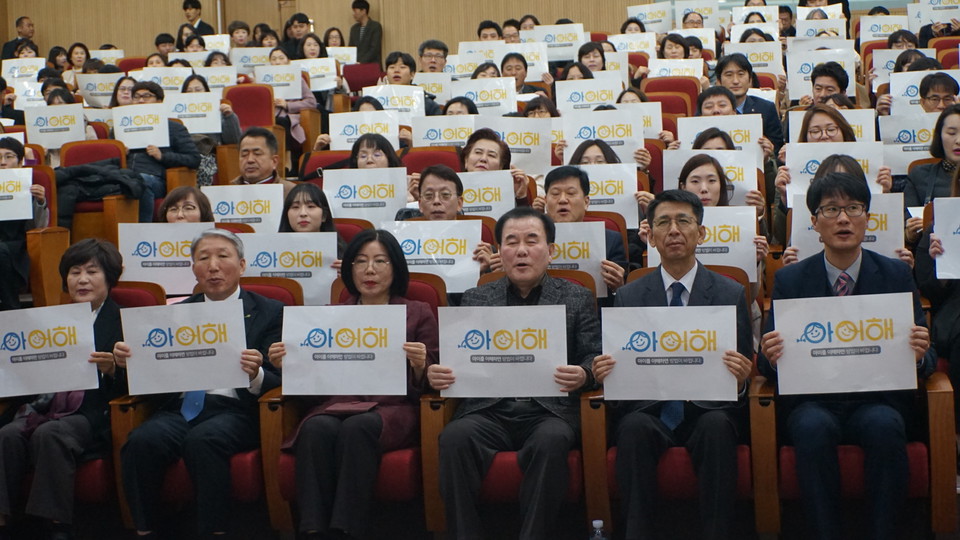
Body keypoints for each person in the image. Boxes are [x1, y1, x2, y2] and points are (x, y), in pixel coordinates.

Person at [758, 172, 934, 540]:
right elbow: (766, 366)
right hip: (815, 401)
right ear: (814, 223)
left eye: (854, 208)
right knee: (810, 427)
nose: (843, 219)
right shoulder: (791, 281)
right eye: (832, 209)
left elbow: (928, 361)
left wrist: (919, 354)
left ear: (867, 219)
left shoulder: (896, 275)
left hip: (877, 399)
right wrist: (771, 356)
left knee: (885, 425)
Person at [427, 206, 601, 540]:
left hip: (548, 411)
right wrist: (440, 373)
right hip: (489, 410)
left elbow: (594, 353)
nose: (521, 250)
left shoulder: (576, 297)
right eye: (511, 242)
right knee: (454, 437)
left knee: (552, 441)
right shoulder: (477, 298)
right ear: (499, 252)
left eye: (531, 241)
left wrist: (584, 374)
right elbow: (457, 359)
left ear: (550, 251)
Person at [592, 189, 753, 540]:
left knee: (716, 426)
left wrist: (741, 379)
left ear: (702, 232)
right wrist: (609, 374)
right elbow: (623, 368)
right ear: (649, 234)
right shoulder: (630, 295)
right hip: (651, 409)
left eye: (684, 221)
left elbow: (741, 378)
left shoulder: (730, 293)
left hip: (708, 409)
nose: (674, 230)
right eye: (663, 222)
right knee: (633, 427)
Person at [267, 229, 436, 538]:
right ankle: (313, 529)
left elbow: (431, 382)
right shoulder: (328, 317)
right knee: (316, 427)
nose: (369, 270)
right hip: (334, 405)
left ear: (395, 267)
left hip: (391, 409)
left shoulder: (417, 313)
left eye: (379, 261)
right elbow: (310, 385)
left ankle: (347, 530)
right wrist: (288, 366)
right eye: (360, 261)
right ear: (349, 269)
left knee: (358, 428)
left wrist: (420, 365)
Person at [114, 229, 282, 538]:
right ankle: (147, 529)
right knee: (141, 441)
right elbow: (153, 377)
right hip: (180, 409)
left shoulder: (270, 311)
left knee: (204, 440)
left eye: (222, 256)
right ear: (193, 268)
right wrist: (129, 363)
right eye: (203, 258)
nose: (213, 266)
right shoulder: (174, 315)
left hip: (236, 410)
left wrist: (255, 374)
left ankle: (213, 530)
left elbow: (281, 377)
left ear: (242, 265)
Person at [0, 239, 124, 539]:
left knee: (51, 433)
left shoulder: (123, 321)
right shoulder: (46, 322)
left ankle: (54, 523)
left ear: (109, 277)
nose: (81, 279)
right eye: (74, 272)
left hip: (90, 412)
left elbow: (145, 385)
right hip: (43, 405)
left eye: (91, 272)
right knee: (8, 434)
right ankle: (4, 519)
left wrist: (113, 371)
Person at [539, 165, 629, 295]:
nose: (563, 200)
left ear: (586, 202)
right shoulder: (532, 241)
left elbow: (616, 295)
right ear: (546, 201)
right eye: (555, 194)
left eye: (571, 193)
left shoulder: (609, 240)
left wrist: (618, 287)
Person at [124, 81, 202, 222]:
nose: (141, 100)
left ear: (159, 101)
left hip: (156, 179)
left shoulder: (173, 128)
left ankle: (143, 231)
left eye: (147, 96)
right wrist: (120, 153)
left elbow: (194, 159)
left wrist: (163, 156)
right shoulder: (120, 127)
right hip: (125, 176)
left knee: (141, 180)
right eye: (136, 96)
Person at [0, 137, 46, 310]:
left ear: (20, 162)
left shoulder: (30, 187)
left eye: (9, 157)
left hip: (16, 248)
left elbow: (38, 227)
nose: (3, 163)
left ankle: (11, 308)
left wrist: (40, 202)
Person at [716, 53, 785, 153]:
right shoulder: (709, 109)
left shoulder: (766, 108)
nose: (735, 81)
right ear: (719, 81)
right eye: (729, 75)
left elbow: (778, 150)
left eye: (741, 74)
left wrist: (769, 152)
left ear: (750, 79)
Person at [268, 47, 317, 166]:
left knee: (283, 122)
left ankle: (287, 160)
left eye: (281, 58)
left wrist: (288, 105)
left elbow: (311, 102)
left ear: (288, 61)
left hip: (292, 117)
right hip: (269, 116)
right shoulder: (263, 80)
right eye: (273, 59)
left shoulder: (298, 79)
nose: (277, 62)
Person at [460, 128, 529, 206]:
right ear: (466, 160)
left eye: (491, 155)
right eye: (478, 152)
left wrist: (521, 198)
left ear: (501, 166)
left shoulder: (510, 194)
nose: (483, 159)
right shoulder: (451, 188)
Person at [230, 126, 297, 198]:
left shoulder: (292, 193)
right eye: (244, 154)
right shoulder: (228, 192)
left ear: (274, 161)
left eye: (257, 154)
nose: (250, 160)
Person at [348, 0, 383, 67]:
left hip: (372, 66)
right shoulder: (354, 29)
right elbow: (351, 48)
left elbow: (374, 49)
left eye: (355, 11)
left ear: (363, 11)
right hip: (356, 66)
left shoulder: (375, 26)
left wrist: (361, 62)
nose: (354, 14)